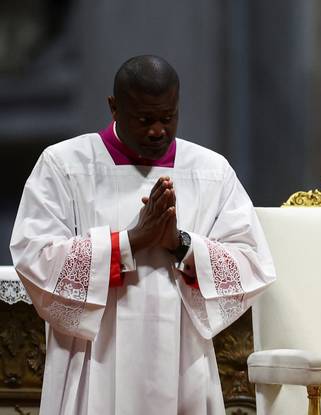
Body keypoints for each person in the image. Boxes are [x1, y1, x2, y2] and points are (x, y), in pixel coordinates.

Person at [10, 55, 276, 415]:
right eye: (144, 119)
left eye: (168, 118)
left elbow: (253, 263)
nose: (157, 131)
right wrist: (129, 241)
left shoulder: (210, 172)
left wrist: (180, 244)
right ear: (114, 107)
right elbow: (33, 256)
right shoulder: (64, 165)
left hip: (182, 359)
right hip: (94, 359)